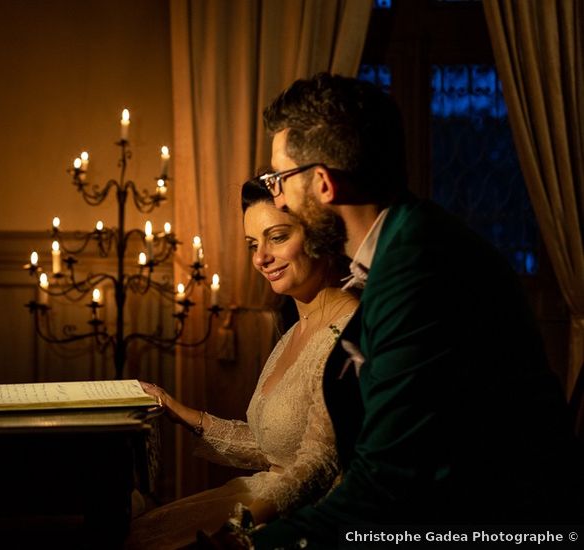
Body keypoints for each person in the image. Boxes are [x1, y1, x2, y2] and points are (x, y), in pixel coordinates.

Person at [209, 72, 584, 549]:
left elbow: (387, 485)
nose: (276, 196)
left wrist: (253, 543)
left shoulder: (419, 271)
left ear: (322, 183)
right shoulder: (402, 244)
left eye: (279, 179)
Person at [127, 177, 358, 549]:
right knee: (138, 532)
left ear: (320, 235)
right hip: (262, 495)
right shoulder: (292, 334)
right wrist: (179, 410)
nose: (259, 258)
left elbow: (316, 464)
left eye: (277, 237)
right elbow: (275, 444)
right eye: (253, 244)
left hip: (305, 517)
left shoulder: (347, 333)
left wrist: (239, 527)